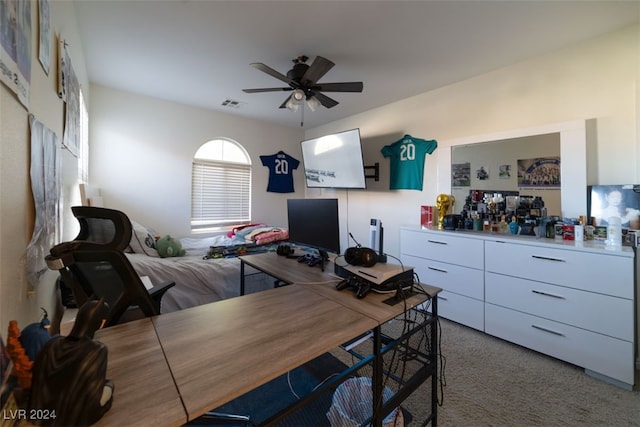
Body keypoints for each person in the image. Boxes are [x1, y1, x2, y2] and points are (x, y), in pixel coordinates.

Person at [29, 299, 114, 426]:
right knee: (109, 385)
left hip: (41, 411)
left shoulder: (52, 344)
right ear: (101, 324)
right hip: (75, 416)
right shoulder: (97, 350)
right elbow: (93, 393)